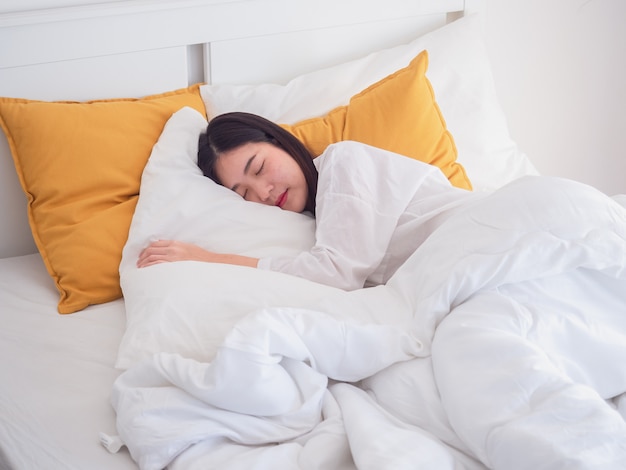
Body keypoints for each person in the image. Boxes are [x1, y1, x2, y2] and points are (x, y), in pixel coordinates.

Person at [136, 111, 478, 289]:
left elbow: (337, 273)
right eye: (243, 193)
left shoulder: (342, 163)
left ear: (279, 142)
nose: (263, 193)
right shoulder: (310, 221)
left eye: (260, 168)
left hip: (476, 241)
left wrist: (209, 258)